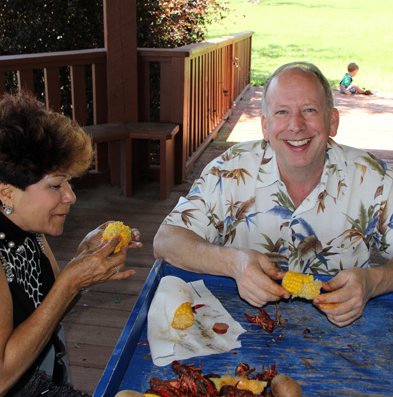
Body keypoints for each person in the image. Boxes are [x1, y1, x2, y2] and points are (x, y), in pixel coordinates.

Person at [154, 62, 393, 329]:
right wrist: (233, 262)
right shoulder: (231, 169)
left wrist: (374, 282)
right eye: (282, 112)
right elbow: (166, 240)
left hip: (345, 337)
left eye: (309, 110)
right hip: (239, 329)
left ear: (332, 121)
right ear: (265, 127)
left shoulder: (374, 178)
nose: (296, 125)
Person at [0, 92, 142, 396]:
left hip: (42, 375)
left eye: (68, 182)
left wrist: (81, 267)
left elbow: (46, 309)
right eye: (56, 185)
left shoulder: (23, 223)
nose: (70, 196)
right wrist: (70, 282)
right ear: (6, 192)